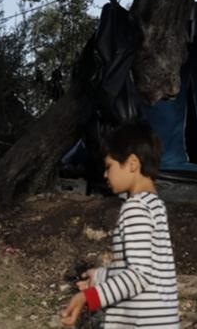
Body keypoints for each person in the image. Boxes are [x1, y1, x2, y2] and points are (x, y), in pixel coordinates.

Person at [60, 121, 180, 328]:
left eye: (109, 166)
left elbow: (138, 275)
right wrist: (99, 276)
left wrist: (89, 296)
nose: (105, 175)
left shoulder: (135, 208)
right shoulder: (155, 205)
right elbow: (143, 268)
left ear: (132, 163)